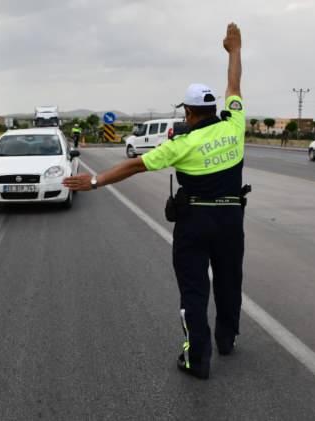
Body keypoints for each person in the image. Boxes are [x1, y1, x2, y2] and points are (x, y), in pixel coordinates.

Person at [63, 23, 246, 380]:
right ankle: (227, 339)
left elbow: (134, 165)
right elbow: (234, 86)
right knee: (229, 281)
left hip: (194, 222)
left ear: (190, 113)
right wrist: (235, 51)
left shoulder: (179, 145)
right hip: (230, 220)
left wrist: (95, 180)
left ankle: (198, 358)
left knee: (194, 290)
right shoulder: (234, 124)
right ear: (213, 109)